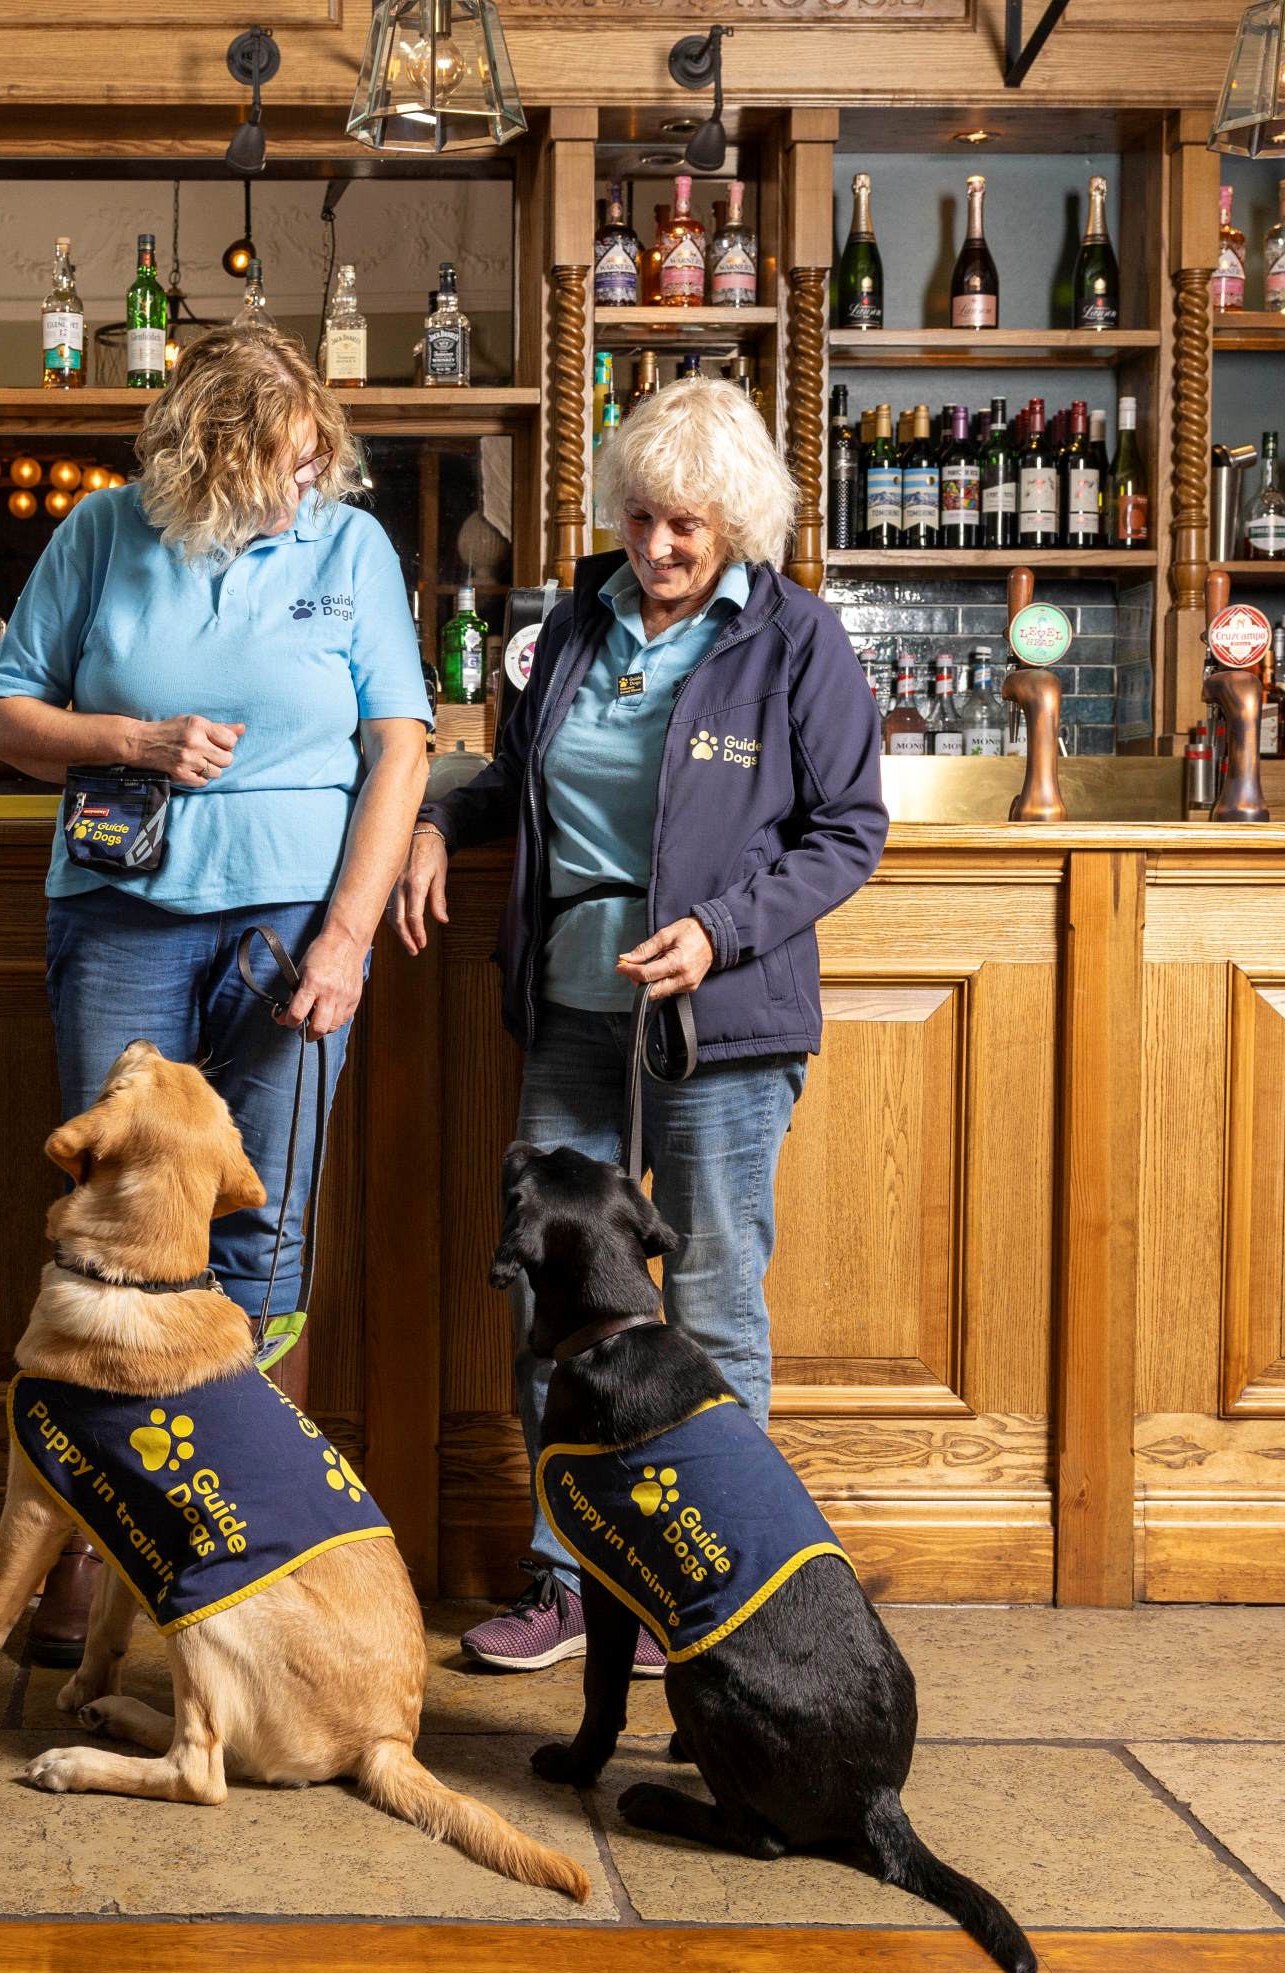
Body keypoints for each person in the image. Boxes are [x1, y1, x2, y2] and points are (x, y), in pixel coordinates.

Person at [393, 375, 887, 1676]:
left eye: (688, 527)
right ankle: (567, 1585)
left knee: (714, 1309)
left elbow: (850, 833)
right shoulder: (574, 624)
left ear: (737, 521)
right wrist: (442, 823)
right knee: (553, 1305)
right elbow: (513, 776)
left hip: (721, 1022)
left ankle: (714, 1593)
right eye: (642, 519)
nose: (659, 550)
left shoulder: (797, 641)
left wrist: (722, 931)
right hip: (571, 1009)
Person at [0, 322, 433, 1664]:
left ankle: (236, 1547)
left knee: (262, 1240)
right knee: (114, 1236)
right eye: (276, 467)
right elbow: (2, 719)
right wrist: (135, 740)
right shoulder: (103, 536)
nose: (301, 490)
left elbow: (398, 750)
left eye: (313, 464)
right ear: (201, 457)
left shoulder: (349, 549)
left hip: (294, 929)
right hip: (120, 917)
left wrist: (347, 939)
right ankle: (101, 1545)